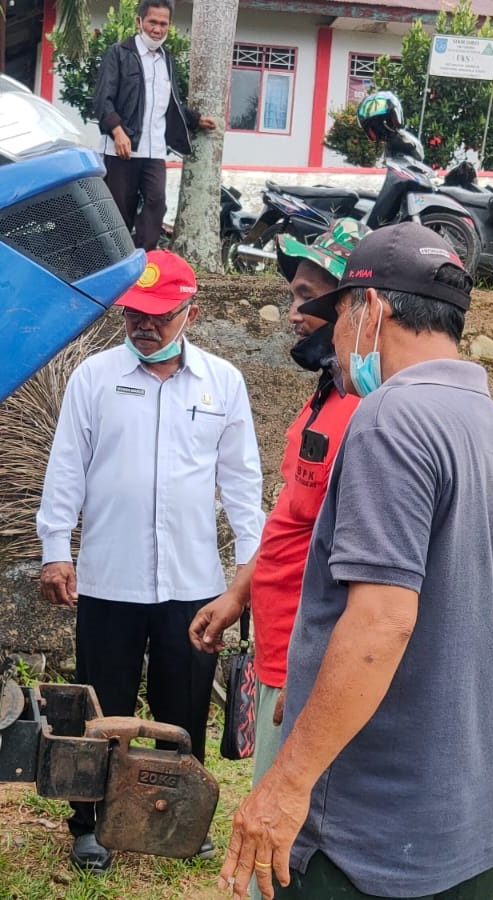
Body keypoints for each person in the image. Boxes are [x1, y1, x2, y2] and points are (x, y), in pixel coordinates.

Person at [219, 222, 493, 900]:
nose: (332, 340)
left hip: (366, 838)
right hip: (462, 825)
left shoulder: (390, 419)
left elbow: (382, 621)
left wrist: (290, 780)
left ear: (371, 310)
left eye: (336, 317)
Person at [37, 249, 265, 874]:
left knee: (183, 705)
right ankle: (90, 823)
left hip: (195, 585)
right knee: (102, 707)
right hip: (110, 578)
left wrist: (250, 577)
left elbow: (243, 485)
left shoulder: (223, 383)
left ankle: (177, 816)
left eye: (160, 315)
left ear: (190, 312)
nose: (145, 325)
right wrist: (57, 550)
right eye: (135, 313)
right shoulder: (95, 378)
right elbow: (66, 471)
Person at [188, 219, 367, 800]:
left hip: (307, 658)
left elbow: (366, 562)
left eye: (305, 297)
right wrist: (240, 595)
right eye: (292, 295)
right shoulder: (325, 396)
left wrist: (319, 673)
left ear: (354, 304)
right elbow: (292, 514)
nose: (293, 312)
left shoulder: (374, 414)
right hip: (279, 644)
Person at [91, 0, 217, 249]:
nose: (158, 29)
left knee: (156, 203)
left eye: (164, 24)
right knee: (120, 211)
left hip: (155, 149)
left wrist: (194, 120)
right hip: (122, 150)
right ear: (139, 22)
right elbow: (102, 99)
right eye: (153, 22)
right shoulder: (119, 53)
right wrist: (118, 131)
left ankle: (144, 261)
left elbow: (170, 102)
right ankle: (119, 260)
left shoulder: (166, 59)